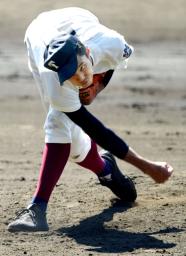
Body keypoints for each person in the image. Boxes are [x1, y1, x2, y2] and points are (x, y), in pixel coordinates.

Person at [7, 7, 173, 232]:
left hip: (78, 18)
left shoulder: (112, 43)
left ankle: (37, 209)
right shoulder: (55, 79)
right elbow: (94, 128)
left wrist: (97, 86)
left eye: (81, 71)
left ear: (85, 52)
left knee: (59, 123)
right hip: (37, 34)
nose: (79, 80)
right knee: (64, 128)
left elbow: (110, 64)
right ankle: (105, 169)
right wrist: (146, 166)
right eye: (72, 77)